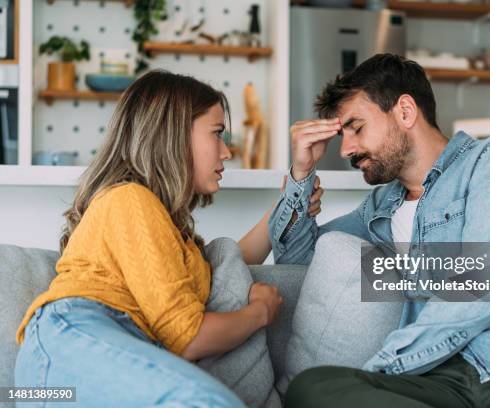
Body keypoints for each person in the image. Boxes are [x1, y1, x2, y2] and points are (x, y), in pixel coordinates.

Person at [268, 54, 490, 407]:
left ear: (404, 111)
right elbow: (298, 260)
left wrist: (384, 370)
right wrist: (300, 174)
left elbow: (481, 283)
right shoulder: (380, 207)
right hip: (450, 376)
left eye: (356, 127)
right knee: (314, 387)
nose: (346, 150)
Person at [13, 70, 323, 407]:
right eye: (217, 134)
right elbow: (188, 338)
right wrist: (259, 313)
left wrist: (293, 191)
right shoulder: (128, 199)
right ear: (172, 135)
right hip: (74, 337)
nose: (226, 152)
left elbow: (231, 262)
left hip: (97, 345)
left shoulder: (171, 234)